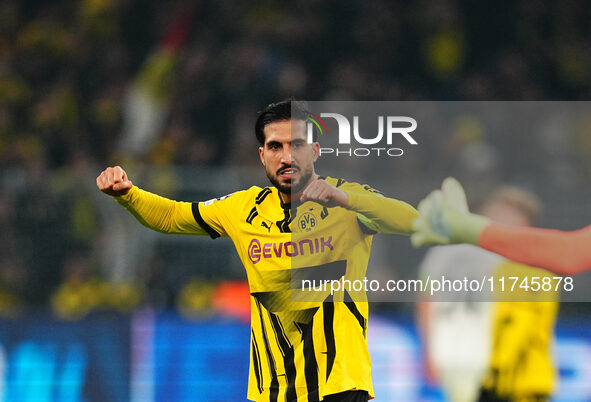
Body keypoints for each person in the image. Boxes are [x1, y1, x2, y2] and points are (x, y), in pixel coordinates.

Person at [96, 100, 419, 402]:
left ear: (316, 151)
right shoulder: (243, 207)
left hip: (338, 384)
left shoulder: (346, 198)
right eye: (276, 146)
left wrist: (346, 200)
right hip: (272, 390)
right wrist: (128, 194)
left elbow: (414, 222)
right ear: (262, 155)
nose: (286, 156)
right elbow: (172, 216)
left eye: (297, 145)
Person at [416, 186, 558, 402]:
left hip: (494, 361)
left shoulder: (517, 260)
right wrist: (429, 349)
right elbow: (427, 298)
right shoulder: (448, 252)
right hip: (459, 352)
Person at [411, 177, 591, 275]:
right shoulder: (449, 253)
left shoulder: (536, 266)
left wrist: (467, 228)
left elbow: (568, 255)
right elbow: (427, 293)